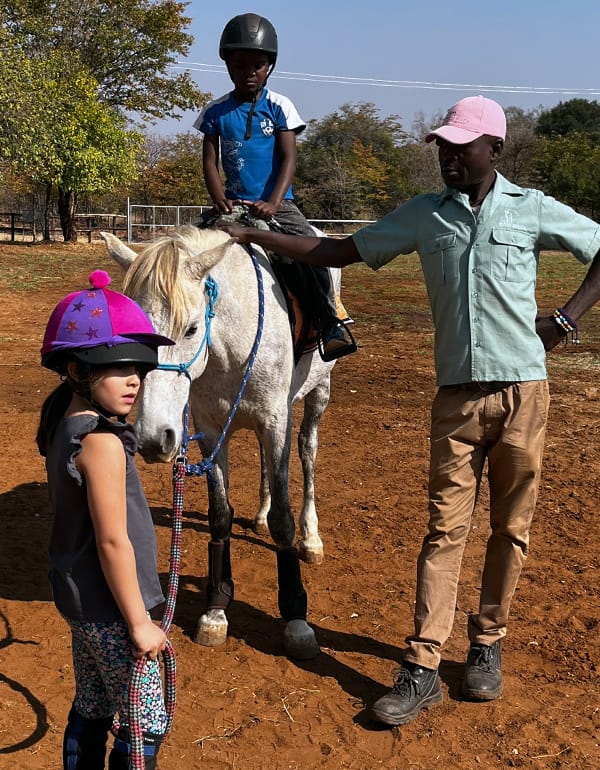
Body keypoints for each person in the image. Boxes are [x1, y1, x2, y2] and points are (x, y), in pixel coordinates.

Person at [219, 95, 600, 726]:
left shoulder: (531, 209)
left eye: (460, 147)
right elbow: (341, 253)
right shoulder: (425, 216)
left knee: (510, 529)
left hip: (524, 394)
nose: (448, 157)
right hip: (455, 400)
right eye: (443, 147)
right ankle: (422, 665)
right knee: (444, 531)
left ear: (495, 150)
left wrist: (567, 319)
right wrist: (258, 234)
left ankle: (486, 645)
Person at [37, 270, 175, 768]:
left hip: (82, 602)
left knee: (94, 705)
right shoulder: (103, 443)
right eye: (117, 369)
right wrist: (139, 622)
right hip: (114, 609)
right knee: (145, 723)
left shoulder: (66, 424)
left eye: (139, 368)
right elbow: (114, 541)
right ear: (77, 371)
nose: (134, 380)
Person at [193, 12, 356, 362]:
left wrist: (272, 201)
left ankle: (329, 321)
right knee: (182, 249)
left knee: (313, 254)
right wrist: (218, 197)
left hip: (277, 205)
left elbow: (288, 159)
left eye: (257, 64)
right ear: (228, 66)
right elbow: (210, 161)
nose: (248, 71)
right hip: (232, 203)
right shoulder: (216, 111)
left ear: (269, 66)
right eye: (239, 65)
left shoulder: (279, 106)